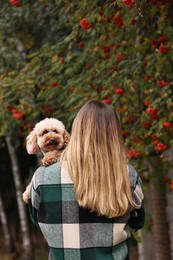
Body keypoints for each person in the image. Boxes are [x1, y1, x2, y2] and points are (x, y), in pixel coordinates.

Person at [29, 99, 145, 260]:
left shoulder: (42, 177)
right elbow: (138, 222)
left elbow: (36, 218)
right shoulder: (129, 176)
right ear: (114, 134)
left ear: (76, 132)